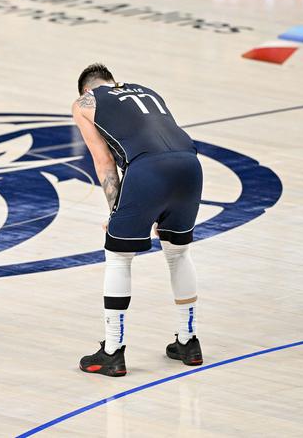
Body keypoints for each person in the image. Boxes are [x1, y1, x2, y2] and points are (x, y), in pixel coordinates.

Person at [71, 63, 204, 377]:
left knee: (118, 255)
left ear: (86, 89)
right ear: (113, 82)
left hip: (148, 171)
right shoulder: (146, 90)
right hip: (190, 165)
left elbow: (104, 162)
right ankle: (188, 342)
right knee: (178, 252)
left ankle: (113, 351)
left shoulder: (84, 103)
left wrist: (114, 209)